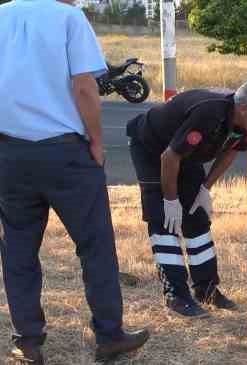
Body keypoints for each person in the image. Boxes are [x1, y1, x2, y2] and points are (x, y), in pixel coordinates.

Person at [0, 0, 150, 363]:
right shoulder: (68, 17)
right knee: (95, 246)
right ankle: (109, 335)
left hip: (9, 154)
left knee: (18, 250)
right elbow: (85, 86)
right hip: (66, 152)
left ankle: (28, 340)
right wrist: (97, 141)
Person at [126, 79, 247, 317]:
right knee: (165, 221)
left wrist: (205, 188)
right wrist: (171, 200)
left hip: (185, 156)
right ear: (244, 109)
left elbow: (229, 153)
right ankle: (176, 295)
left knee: (196, 219)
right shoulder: (209, 114)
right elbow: (169, 157)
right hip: (153, 148)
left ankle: (206, 289)